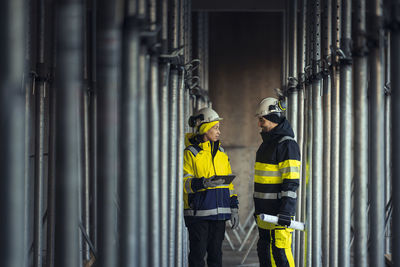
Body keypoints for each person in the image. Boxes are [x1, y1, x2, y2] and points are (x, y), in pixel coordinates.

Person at [183, 107, 239, 267]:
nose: (218, 131)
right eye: (215, 127)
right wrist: (203, 183)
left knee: (216, 257)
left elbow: (230, 186)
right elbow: (183, 183)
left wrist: (234, 207)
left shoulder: (221, 153)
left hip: (219, 216)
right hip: (198, 215)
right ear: (204, 129)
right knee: (197, 257)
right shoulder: (191, 153)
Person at [253, 97, 301, 267]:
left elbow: (291, 182)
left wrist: (286, 211)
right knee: (265, 252)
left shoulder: (287, 145)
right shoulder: (265, 146)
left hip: (280, 214)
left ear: (273, 119)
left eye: (262, 120)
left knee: (280, 254)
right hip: (264, 214)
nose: (259, 124)